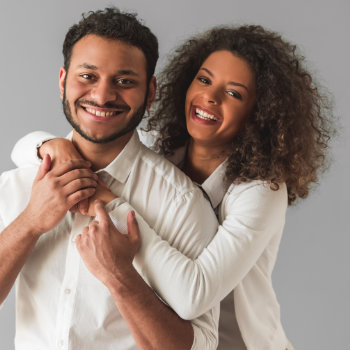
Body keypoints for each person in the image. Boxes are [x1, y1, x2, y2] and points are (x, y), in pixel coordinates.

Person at [12, 25, 333, 349]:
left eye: (234, 93)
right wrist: (49, 146)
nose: (210, 96)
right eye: (204, 80)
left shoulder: (261, 191)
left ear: (260, 113)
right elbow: (31, 147)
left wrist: (111, 203)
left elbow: (194, 294)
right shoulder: (160, 148)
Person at [0, 8, 221, 350]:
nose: (102, 96)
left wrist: (119, 276)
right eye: (88, 76)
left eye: (124, 81)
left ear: (150, 92)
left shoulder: (183, 204)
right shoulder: (16, 185)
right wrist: (29, 223)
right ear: (62, 81)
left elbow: (203, 346)